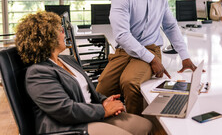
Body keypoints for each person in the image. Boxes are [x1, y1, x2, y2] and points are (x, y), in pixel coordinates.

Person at [15, 11, 152, 135]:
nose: (64, 32)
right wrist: (104, 111)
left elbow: (87, 89)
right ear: (45, 38)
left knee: (146, 126)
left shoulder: (66, 59)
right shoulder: (38, 73)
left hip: (88, 115)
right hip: (66, 127)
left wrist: (104, 101)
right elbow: (65, 110)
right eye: (59, 30)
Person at [96, 0, 199, 115]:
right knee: (102, 89)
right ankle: (110, 123)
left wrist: (185, 56)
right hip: (124, 51)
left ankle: (137, 125)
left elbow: (170, 26)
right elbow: (122, 35)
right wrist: (153, 61)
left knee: (130, 82)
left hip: (151, 48)